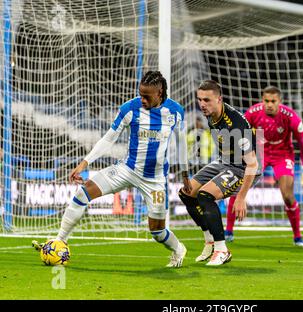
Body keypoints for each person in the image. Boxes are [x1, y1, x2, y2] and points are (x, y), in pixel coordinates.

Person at [32, 71, 191, 268]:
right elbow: (109, 138)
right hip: (127, 169)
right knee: (83, 193)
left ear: (160, 93)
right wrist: (84, 163)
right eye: (140, 94)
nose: (142, 99)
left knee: (157, 232)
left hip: (155, 179)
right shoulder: (130, 109)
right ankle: (59, 241)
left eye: (146, 96)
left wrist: (185, 175)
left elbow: (182, 144)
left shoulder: (176, 112)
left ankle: (178, 249)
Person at [178, 80, 260, 266]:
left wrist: (241, 197)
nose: (202, 104)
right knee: (186, 193)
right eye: (199, 99)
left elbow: (252, 164)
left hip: (245, 168)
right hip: (225, 162)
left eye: (207, 100)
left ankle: (222, 250)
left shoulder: (236, 123)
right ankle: (210, 241)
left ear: (219, 99)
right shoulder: (210, 115)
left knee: (205, 196)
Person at [224, 86, 303, 246]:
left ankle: (297, 237)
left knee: (287, 196)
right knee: (238, 187)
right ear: (262, 100)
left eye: (273, 101)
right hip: (260, 152)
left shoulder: (291, 117)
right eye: (266, 101)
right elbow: (239, 133)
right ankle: (228, 231)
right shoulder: (253, 112)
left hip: (282, 154)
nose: (269, 104)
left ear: (279, 101)